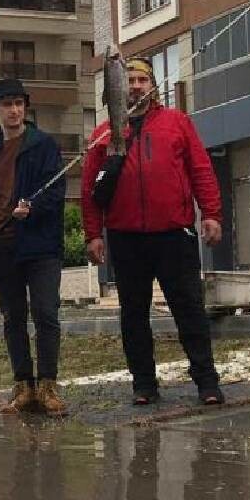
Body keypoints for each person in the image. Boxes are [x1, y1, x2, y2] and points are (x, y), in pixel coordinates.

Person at [80, 56, 225, 406]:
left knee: (188, 308)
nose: (134, 86)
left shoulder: (177, 122)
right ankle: (143, 383)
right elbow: (89, 188)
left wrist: (211, 213)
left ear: (153, 85)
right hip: (125, 236)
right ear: (116, 88)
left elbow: (200, 168)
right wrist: (93, 233)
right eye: (128, 80)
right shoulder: (104, 132)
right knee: (133, 314)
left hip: (173, 233)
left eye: (141, 80)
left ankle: (206, 381)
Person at [0, 78, 68, 416]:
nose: (14, 110)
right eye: (7, 104)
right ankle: (23, 386)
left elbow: (55, 193)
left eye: (19, 104)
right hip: (2, 246)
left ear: (25, 108)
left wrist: (32, 209)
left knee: (45, 313)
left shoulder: (43, 145)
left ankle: (48, 386)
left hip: (40, 246)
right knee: (13, 318)